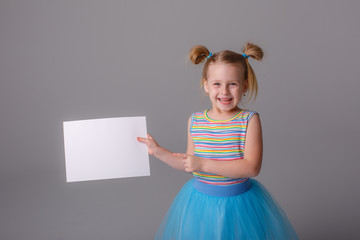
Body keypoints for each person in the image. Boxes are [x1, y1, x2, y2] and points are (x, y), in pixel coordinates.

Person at [137, 42, 299, 239]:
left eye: (233, 84)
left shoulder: (249, 120)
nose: (224, 91)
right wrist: (158, 151)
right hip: (200, 204)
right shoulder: (195, 120)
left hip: (239, 205)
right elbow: (189, 163)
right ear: (206, 85)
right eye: (217, 84)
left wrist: (203, 163)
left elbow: (252, 167)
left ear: (245, 85)